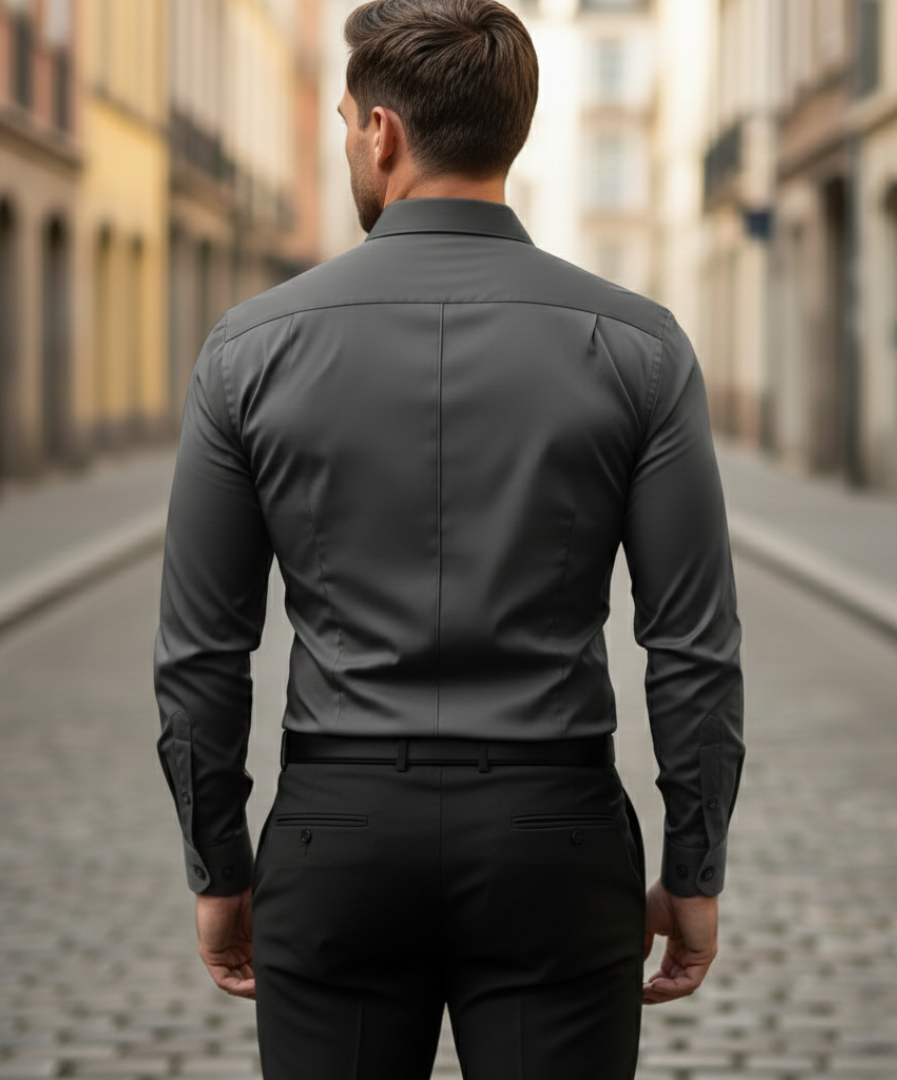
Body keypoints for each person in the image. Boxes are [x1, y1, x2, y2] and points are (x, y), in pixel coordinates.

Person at [154, 1, 744, 1077]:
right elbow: (693, 649)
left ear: (382, 134)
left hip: (339, 835)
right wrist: (694, 872)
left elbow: (201, 653)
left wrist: (219, 869)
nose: (348, 144)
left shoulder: (248, 351)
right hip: (553, 836)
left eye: (346, 124)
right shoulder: (641, 348)